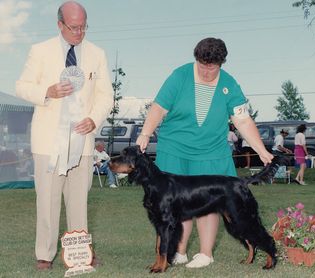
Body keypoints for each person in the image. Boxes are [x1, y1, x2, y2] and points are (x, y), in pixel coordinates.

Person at [136, 37, 273, 268]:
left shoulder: (229, 83)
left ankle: (206, 253)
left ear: (221, 63)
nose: (208, 71)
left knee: (211, 202)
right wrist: (145, 134)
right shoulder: (179, 76)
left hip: (211, 151)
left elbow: (242, 120)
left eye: (213, 67)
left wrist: (261, 150)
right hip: (175, 148)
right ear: (196, 60)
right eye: (203, 66)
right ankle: (178, 251)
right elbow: (158, 108)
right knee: (175, 203)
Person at [16, 1, 113, 271]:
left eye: (83, 27)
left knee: (79, 201)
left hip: (82, 143)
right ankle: (44, 256)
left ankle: (80, 255)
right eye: (74, 27)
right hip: (48, 143)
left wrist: (93, 119)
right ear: (60, 24)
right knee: (47, 201)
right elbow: (22, 85)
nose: (79, 33)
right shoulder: (40, 51)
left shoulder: (97, 54)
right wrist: (46, 91)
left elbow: (106, 95)